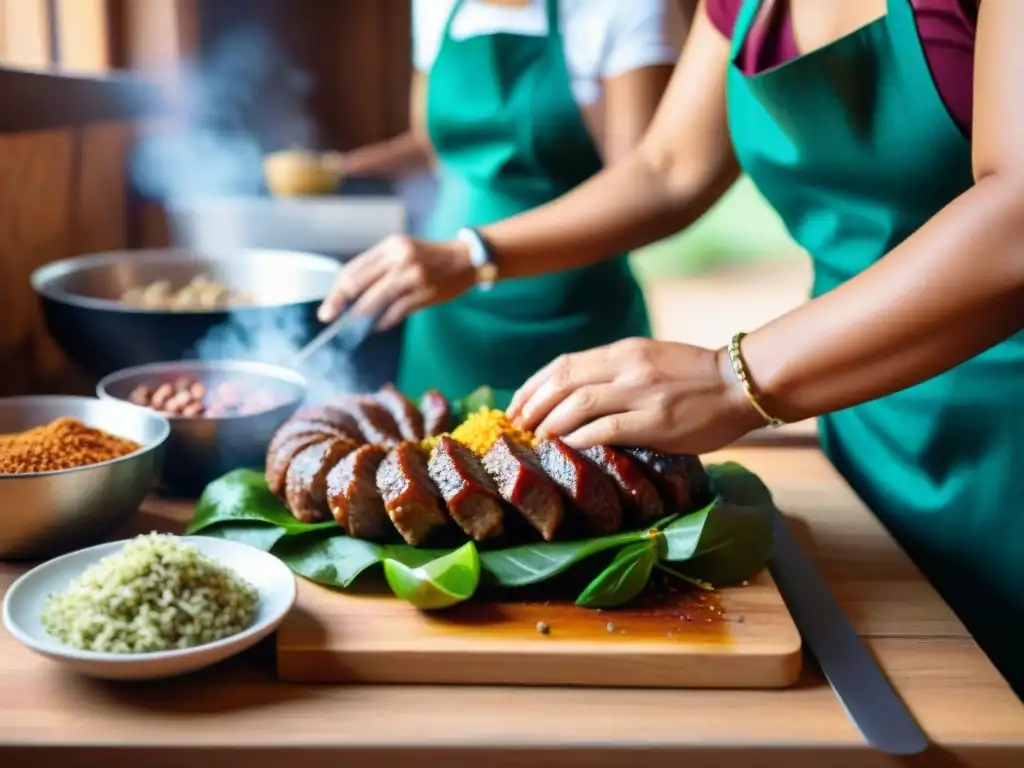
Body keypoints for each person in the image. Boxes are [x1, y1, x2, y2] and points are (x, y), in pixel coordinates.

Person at [319, 0, 1024, 695]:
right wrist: (475, 253)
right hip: (857, 396)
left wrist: (729, 379)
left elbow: (1016, 215)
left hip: (1004, 440)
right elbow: (667, 166)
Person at [317, 0, 691, 406]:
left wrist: (472, 254)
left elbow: (642, 186)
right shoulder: (436, 6)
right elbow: (432, 144)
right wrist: (339, 170)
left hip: (569, 310)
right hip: (445, 304)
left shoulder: (624, 9)